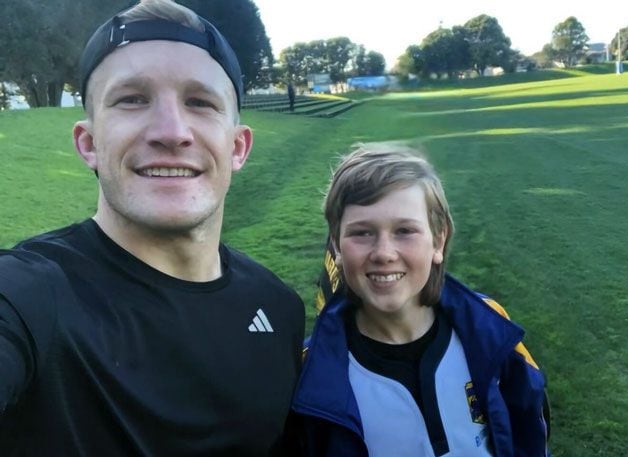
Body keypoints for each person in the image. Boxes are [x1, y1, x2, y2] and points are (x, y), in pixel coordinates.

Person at [0, 1, 304, 455]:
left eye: (200, 102)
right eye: (132, 100)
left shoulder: (278, 309)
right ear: (89, 144)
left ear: (238, 148)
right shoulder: (31, 297)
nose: (171, 131)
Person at [292, 143, 549, 456]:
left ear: (438, 240)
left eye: (404, 231)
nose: (384, 253)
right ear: (336, 245)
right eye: (362, 233)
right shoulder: (313, 369)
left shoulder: (489, 326)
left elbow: (529, 430)